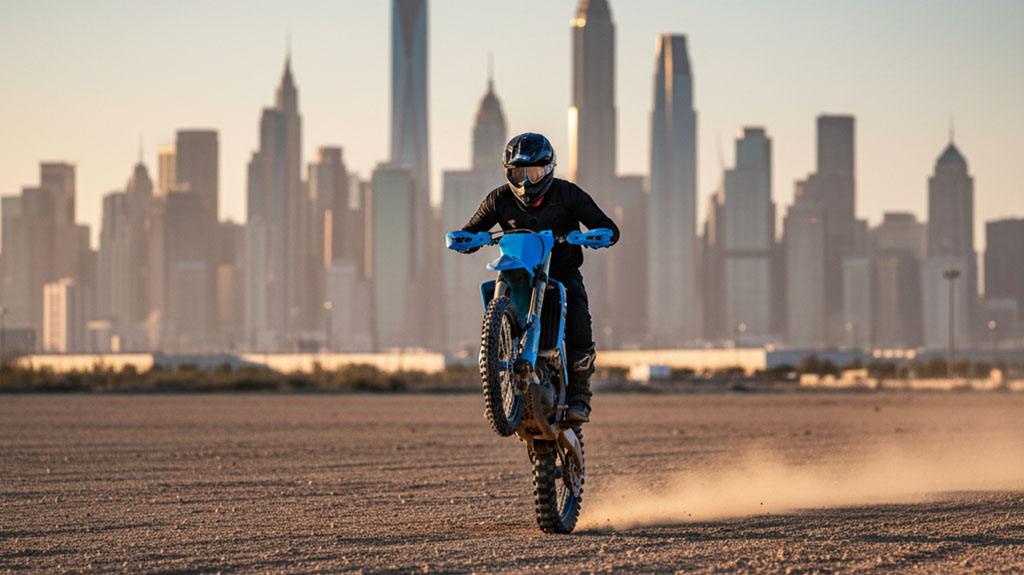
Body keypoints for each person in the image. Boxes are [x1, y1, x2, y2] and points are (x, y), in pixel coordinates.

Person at [459, 132, 619, 424]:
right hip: (517, 272)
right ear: (509, 172)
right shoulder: (498, 198)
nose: (525, 181)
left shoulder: (568, 194)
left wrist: (597, 235)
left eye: (534, 172)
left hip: (560, 273)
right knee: (495, 293)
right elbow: (471, 228)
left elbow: (606, 225)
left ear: (548, 168)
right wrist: (466, 239)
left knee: (580, 317)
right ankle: (498, 388)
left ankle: (580, 397)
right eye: (518, 173)